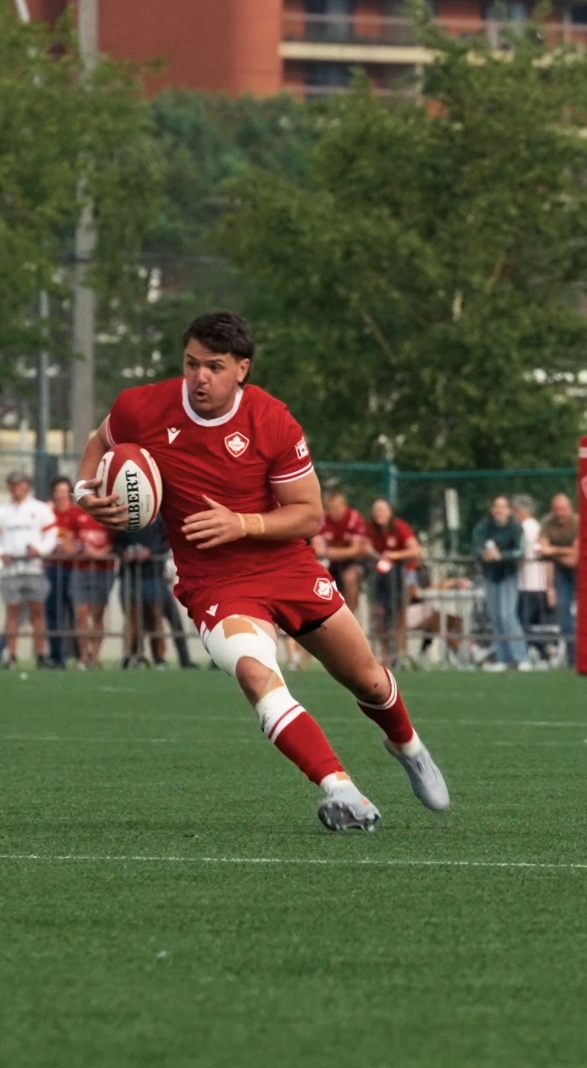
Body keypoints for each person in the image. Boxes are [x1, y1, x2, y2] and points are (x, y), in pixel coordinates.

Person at [76, 310, 448, 831]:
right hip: (215, 584)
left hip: (285, 564)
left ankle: (408, 746)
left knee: (365, 678)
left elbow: (309, 513)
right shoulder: (142, 406)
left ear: (242, 369)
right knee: (256, 674)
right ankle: (340, 789)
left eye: (215, 366)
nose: (200, 377)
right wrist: (84, 491)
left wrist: (242, 523)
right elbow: (101, 439)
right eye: (191, 364)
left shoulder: (272, 419)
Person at [0, 469, 56, 669]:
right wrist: (0, 552)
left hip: (34, 568)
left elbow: (51, 534)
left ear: (27, 486)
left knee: (38, 612)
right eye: (13, 484)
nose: (16, 488)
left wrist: (40, 549)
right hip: (11, 569)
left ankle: (41, 655)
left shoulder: (40, 509)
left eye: (20, 484)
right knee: (12, 612)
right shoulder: (0, 511)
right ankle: (12, 656)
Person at [57, 484, 115, 669]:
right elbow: (67, 539)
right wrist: (75, 550)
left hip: (102, 570)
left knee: (98, 614)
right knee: (81, 613)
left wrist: (98, 553)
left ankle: (95, 656)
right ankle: (83, 656)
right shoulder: (75, 514)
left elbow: (115, 542)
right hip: (80, 569)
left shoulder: (108, 513)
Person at [366, 497, 421, 665]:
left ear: (390, 512)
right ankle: (384, 655)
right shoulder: (370, 529)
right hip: (381, 576)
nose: (378, 514)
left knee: (399, 613)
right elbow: (364, 547)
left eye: (382, 510)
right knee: (379, 614)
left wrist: (394, 556)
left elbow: (415, 551)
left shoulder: (400, 527)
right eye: (376, 510)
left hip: (403, 573)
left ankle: (399, 653)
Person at [473, 494, 525, 670]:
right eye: (496, 506)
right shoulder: (484, 526)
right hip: (490, 575)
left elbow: (520, 550)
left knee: (507, 614)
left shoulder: (515, 527)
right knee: (495, 616)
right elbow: (476, 546)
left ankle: (520, 656)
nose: (499, 510)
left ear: (509, 510)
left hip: (508, 574)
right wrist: (484, 554)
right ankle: (503, 657)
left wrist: (501, 556)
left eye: (502, 507)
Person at [116, 515, 173, 668]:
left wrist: (151, 553)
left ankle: (159, 658)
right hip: (129, 575)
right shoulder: (123, 515)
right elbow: (115, 542)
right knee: (131, 617)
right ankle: (130, 656)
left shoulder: (160, 517)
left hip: (153, 574)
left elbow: (168, 541)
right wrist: (123, 553)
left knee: (155, 616)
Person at [538, 493, 579, 668]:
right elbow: (540, 549)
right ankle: (572, 656)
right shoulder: (547, 523)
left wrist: (552, 551)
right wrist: (549, 587)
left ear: (570, 509)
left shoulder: (578, 522)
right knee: (562, 611)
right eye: (556, 509)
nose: (559, 512)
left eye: (563, 509)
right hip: (560, 573)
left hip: (582, 572)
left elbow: (577, 554)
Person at [316, 491, 373, 613]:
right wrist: (331, 553)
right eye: (331, 508)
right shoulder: (323, 519)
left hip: (356, 561)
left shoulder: (354, 518)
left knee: (349, 577)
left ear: (344, 505)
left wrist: (331, 552)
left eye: (337, 507)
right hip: (333, 562)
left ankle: (350, 614)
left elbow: (356, 550)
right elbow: (317, 549)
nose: (334, 511)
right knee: (319, 576)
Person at [44, 477, 80, 666]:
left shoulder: (76, 513)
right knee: (53, 614)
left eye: (64, 491)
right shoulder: (47, 513)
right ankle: (56, 655)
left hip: (74, 569)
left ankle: (82, 656)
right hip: (52, 568)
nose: (61, 495)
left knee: (77, 613)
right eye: (58, 491)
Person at [513, 494, 552, 664]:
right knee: (529, 622)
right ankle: (541, 649)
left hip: (528, 583)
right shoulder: (537, 527)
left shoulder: (524, 528)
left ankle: (544, 647)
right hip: (537, 582)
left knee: (522, 622)